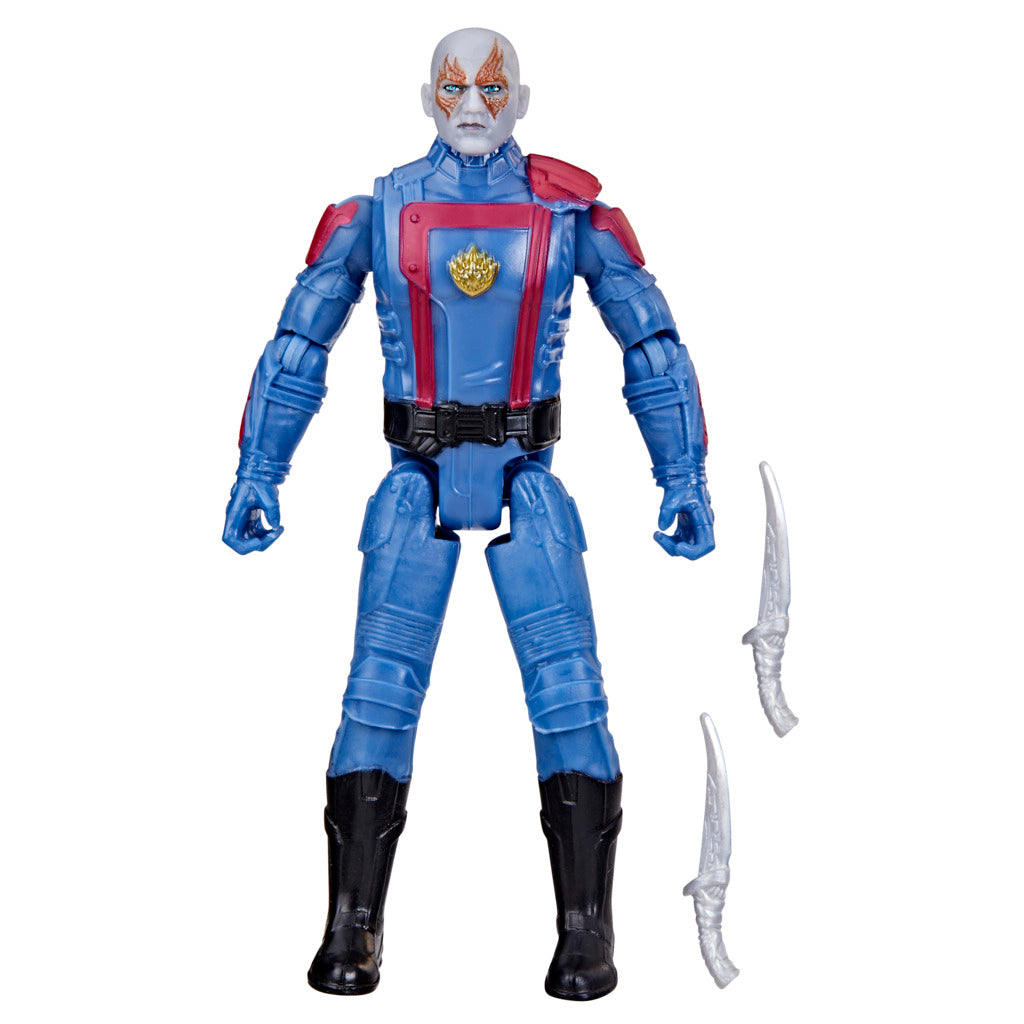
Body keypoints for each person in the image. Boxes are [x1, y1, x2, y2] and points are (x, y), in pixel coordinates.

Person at [223, 26, 714, 1001]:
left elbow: (650, 342)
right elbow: (299, 343)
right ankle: (352, 922)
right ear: (428, 98)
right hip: (414, 475)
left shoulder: (570, 212)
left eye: (493, 87)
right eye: (456, 87)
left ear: (520, 99)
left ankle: (585, 929)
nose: (475, 103)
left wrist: (683, 475)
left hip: (530, 476)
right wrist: (259, 469)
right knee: (377, 695)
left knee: (570, 696)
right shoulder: (377, 209)